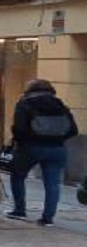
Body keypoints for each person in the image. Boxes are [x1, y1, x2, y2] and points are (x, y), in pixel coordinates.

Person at [6, 79, 79, 226]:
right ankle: (47, 218)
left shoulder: (24, 103)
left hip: (31, 147)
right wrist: (58, 138)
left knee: (17, 176)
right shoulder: (60, 105)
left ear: (30, 89)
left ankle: (19, 210)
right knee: (53, 184)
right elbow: (73, 130)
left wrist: (21, 141)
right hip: (57, 148)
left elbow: (19, 128)